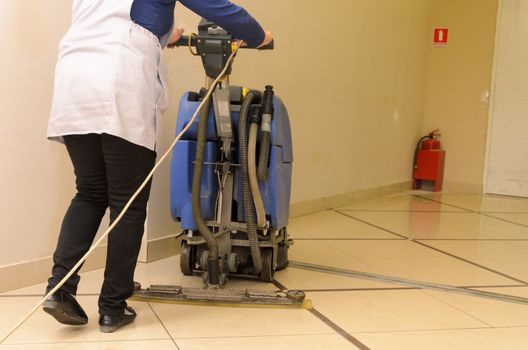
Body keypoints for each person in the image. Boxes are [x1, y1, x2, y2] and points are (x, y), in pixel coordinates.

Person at [43, 0, 273, 333]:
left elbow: (125, 17)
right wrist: (257, 35)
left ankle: (60, 290)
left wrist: (167, 34)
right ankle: (112, 306)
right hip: (118, 80)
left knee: (90, 193)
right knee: (128, 203)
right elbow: (217, 8)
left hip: (74, 79)